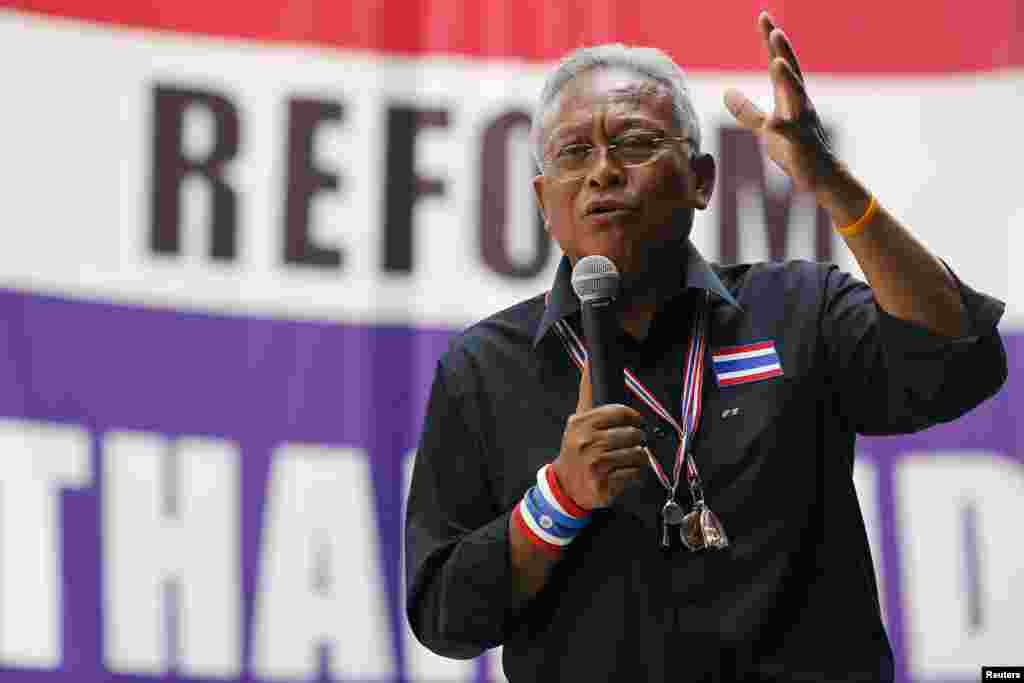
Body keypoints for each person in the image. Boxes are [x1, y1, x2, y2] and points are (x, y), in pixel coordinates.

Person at [405, 11, 1006, 682]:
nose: (603, 171)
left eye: (633, 142)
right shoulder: (484, 368)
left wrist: (833, 184)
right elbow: (445, 617)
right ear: (546, 201)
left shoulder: (798, 310)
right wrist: (559, 499)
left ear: (700, 179)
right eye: (574, 153)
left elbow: (960, 360)